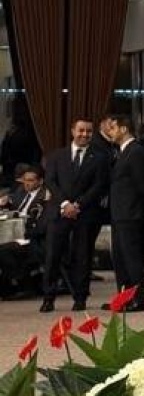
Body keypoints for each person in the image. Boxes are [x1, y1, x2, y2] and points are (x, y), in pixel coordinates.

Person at [42, 118, 111, 311]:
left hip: (85, 213)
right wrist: (65, 204)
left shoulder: (100, 157)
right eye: (81, 130)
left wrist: (78, 205)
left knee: (82, 256)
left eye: (88, 131)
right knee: (52, 256)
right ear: (73, 131)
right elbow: (50, 181)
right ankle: (48, 297)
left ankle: (80, 297)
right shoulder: (56, 156)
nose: (84, 135)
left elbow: (99, 185)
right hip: (59, 212)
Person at [105, 114, 144, 310]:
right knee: (120, 258)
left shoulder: (136, 151)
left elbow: (142, 183)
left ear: (124, 129)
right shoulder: (122, 151)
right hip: (119, 212)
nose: (110, 132)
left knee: (131, 257)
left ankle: (139, 299)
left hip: (130, 212)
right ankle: (123, 298)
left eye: (113, 128)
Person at [0, 166, 48, 298]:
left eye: (31, 180)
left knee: (4, 250)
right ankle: (8, 284)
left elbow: (42, 223)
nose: (27, 183)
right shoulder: (22, 192)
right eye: (25, 180)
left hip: (35, 238)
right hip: (17, 233)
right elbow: (13, 201)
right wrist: (7, 201)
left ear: (40, 181)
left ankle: (22, 284)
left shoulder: (45, 197)